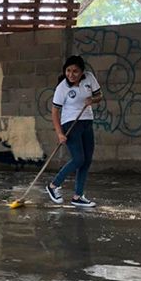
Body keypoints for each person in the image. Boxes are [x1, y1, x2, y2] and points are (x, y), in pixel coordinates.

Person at [45, 55, 103, 207]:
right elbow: (55, 112)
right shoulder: (62, 88)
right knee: (78, 159)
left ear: (82, 71)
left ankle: (78, 196)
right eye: (68, 71)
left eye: (75, 71)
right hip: (70, 124)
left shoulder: (89, 78)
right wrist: (59, 133)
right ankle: (53, 185)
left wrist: (93, 100)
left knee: (86, 160)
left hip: (87, 121)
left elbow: (99, 95)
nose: (71, 74)